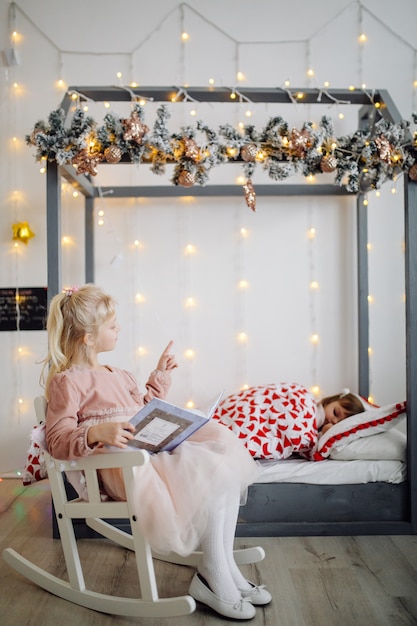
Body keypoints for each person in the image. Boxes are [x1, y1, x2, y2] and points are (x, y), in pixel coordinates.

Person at [41, 284, 271, 620]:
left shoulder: (119, 374)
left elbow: (142, 408)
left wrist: (160, 375)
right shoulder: (68, 381)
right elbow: (57, 439)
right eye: (112, 325)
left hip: (146, 455)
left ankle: (220, 569)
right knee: (203, 469)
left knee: (218, 456)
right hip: (119, 468)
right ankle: (215, 575)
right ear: (89, 338)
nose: (119, 329)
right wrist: (93, 432)